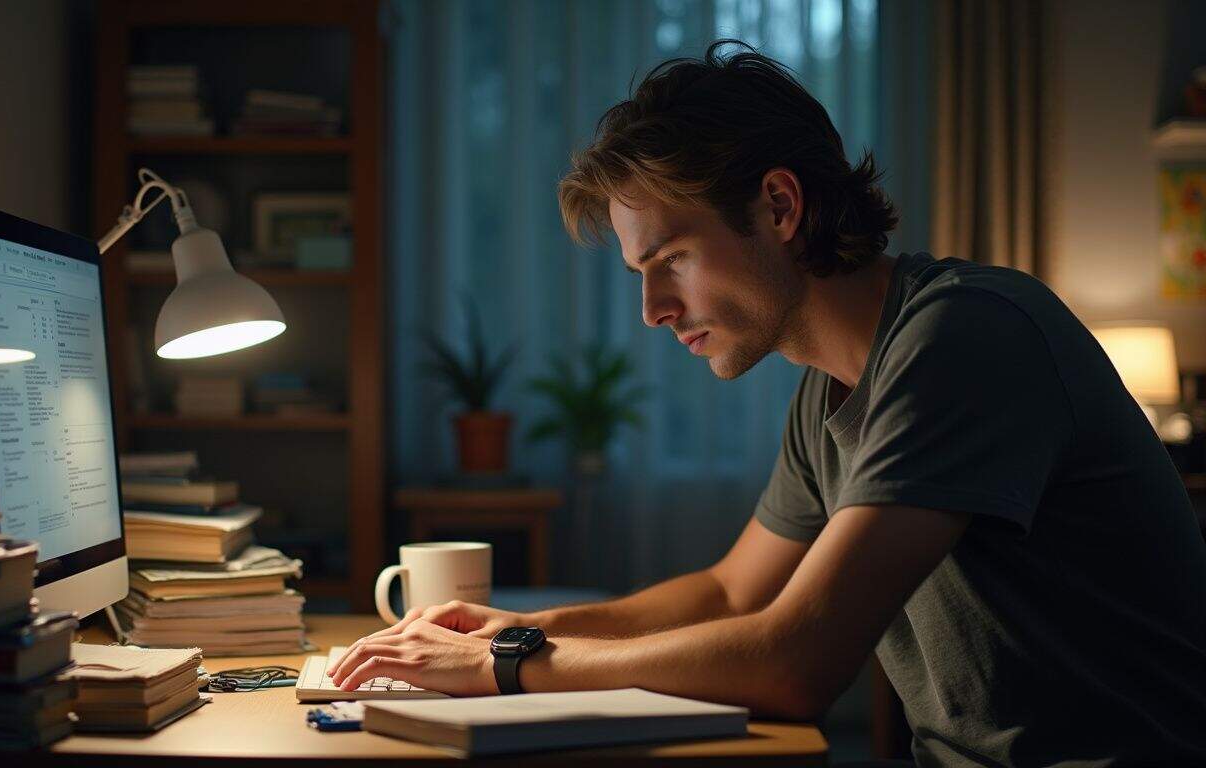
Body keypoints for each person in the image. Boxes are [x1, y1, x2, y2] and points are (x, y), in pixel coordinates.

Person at [328, 41, 1206, 766]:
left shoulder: (965, 338)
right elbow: (727, 591)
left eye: (669, 258)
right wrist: (523, 626)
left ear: (779, 206)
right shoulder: (830, 388)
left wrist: (509, 665)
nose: (654, 310)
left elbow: (794, 661)